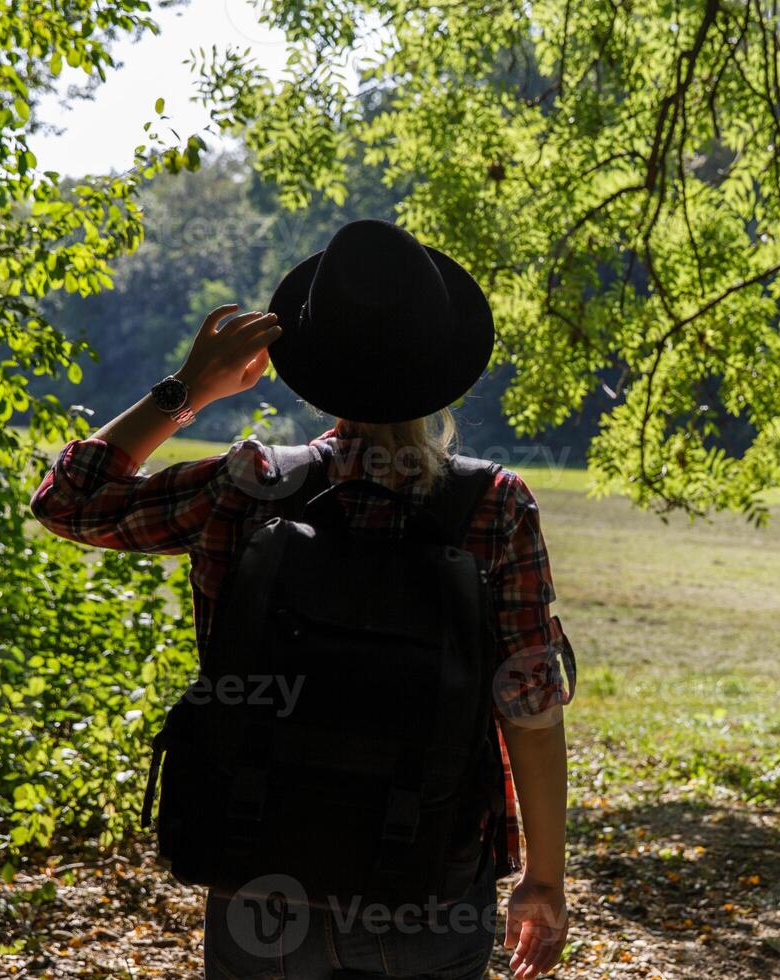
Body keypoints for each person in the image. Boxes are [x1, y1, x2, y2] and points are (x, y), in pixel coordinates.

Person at [29, 220, 573, 980]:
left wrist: (191, 387)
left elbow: (70, 502)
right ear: (444, 363)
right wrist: (542, 882)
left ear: (313, 362)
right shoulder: (496, 506)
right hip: (431, 875)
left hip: (260, 868)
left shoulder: (248, 484)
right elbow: (531, 705)